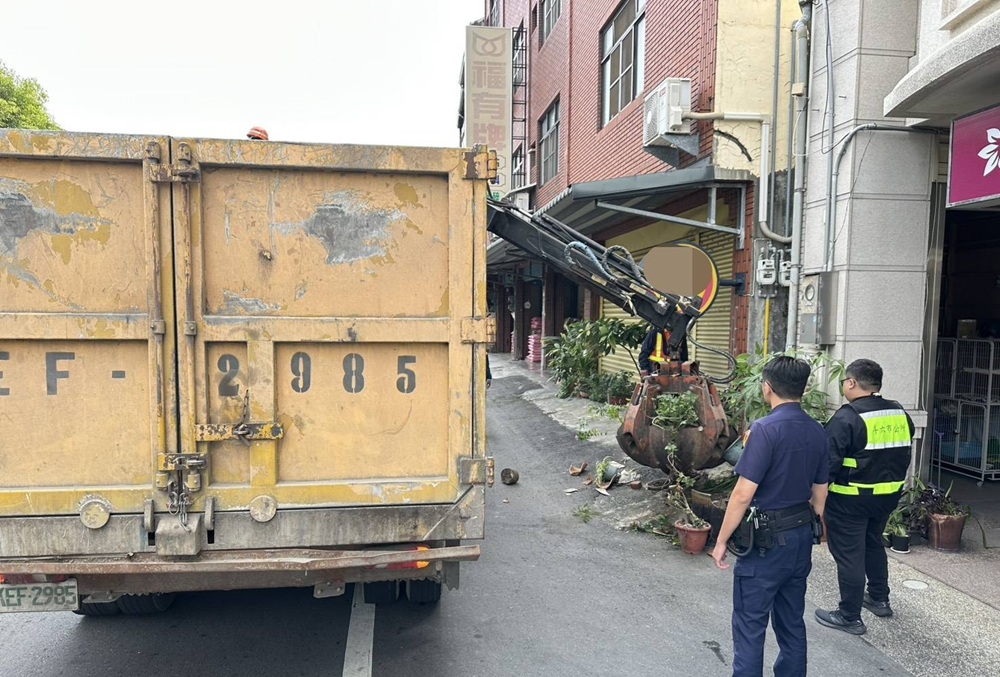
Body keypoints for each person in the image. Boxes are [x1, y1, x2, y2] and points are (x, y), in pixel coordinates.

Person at [711, 356, 829, 677]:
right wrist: (816, 529)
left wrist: (721, 541)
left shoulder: (764, 429)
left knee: (750, 626)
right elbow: (820, 494)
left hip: (765, 544)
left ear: (768, 387)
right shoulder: (818, 431)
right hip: (800, 537)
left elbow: (742, 494)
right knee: (791, 623)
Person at [815, 359, 914, 636]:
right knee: (872, 543)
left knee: (849, 555)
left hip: (849, 501)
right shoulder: (898, 412)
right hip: (886, 499)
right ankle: (879, 598)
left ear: (851, 383)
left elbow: (827, 466)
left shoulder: (847, 417)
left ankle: (849, 616)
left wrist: (817, 504)